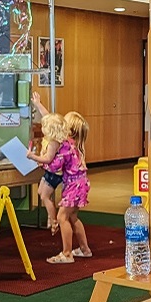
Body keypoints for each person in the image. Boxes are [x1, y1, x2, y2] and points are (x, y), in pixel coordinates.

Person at [46, 111, 92, 264]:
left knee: (62, 217)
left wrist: (42, 161)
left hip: (73, 186)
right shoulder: (76, 146)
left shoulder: (66, 146)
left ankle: (67, 254)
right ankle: (85, 249)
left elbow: (55, 165)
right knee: (73, 217)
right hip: (81, 184)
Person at [28, 111, 68, 235]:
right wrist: (38, 104)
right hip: (51, 171)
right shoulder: (54, 139)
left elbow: (48, 159)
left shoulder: (53, 142)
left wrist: (33, 157)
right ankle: (52, 218)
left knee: (44, 196)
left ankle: (53, 219)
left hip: (54, 174)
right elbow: (47, 115)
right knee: (41, 192)